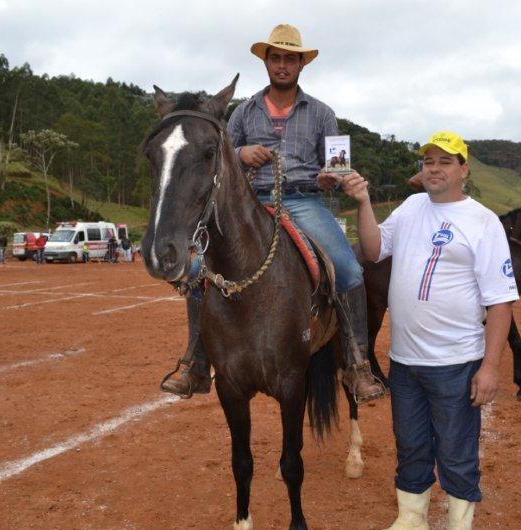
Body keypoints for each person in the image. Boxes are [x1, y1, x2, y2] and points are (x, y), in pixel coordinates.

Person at [159, 23, 385, 404]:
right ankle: (196, 364)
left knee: (348, 269)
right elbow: (221, 162)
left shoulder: (322, 113)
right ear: (267, 62)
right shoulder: (243, 113)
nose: (282, 65)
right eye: (275, 58)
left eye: (290, 59)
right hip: (249, 201)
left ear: (301, 64)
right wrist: (241, 154)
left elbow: (336, 165)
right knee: (198, 270)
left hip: (303, 200)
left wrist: (331, 176)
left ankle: (356, 364)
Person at [343, 131, 518, 530]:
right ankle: (412, 520)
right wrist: (364, 202)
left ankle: (459, 527)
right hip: (405, 360)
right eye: (428, 162)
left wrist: (490, 367)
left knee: (456, 453)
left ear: (464, 170)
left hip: (456, 361)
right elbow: (373, 250)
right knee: (411, 447)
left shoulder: (483, 222)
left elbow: (500, 303)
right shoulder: (410, 207)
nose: (434, 168)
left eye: (445, 161)